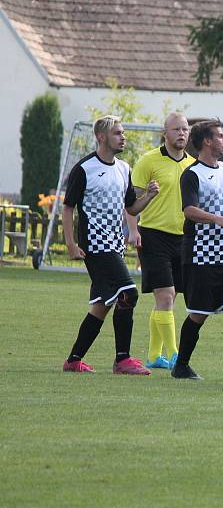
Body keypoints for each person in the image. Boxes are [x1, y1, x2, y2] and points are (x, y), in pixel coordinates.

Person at [61, 115, 159, 375]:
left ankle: (74, 360)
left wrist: (147, 196)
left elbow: (131, 207)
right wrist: (71, 244)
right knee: (129, 294)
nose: (122, 137)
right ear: (101, 137)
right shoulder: (84, 169)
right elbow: (68, 208)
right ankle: (122, 360)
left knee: (102, 306)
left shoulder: (124, 169)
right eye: (117, 133)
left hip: (114, 246)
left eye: (123, 132)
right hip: (95, 246)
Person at [170, 120, 223, 383]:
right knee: (199, 313)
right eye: (220, 136)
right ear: (207, 141)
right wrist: (217, 219)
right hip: (200, 252)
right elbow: (189, 211)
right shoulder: (192, 174)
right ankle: (181, 365)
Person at [129, 112, 194, 370]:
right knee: (165, 297)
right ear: (164, 133)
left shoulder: (192, 164)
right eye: (176, 129)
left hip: (183, 238)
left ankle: (155, 356)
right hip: (153, 235)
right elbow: (131, 203)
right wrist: (133, 231)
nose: (181, 133)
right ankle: (176, 354)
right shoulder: (148, 161)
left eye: (185, 129)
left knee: (168, 300)